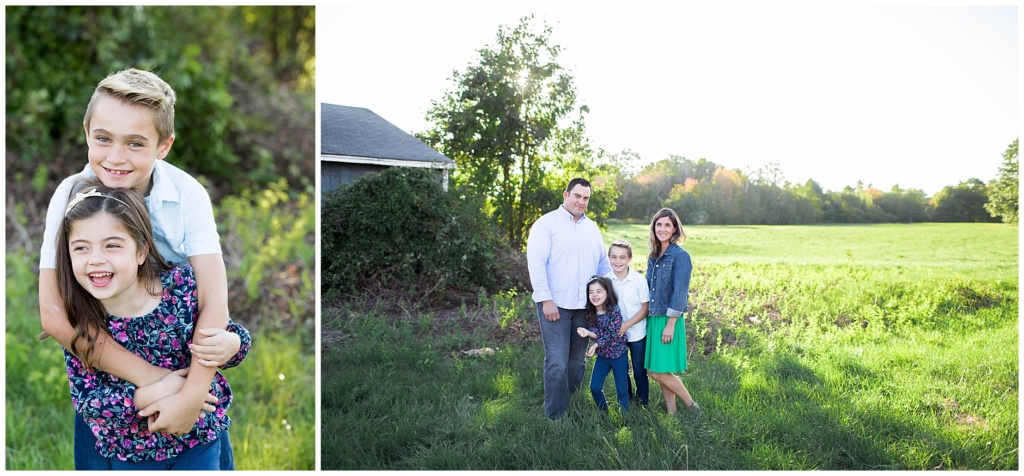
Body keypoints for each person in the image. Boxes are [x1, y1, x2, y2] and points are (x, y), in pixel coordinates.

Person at [36, 68, 239, 468]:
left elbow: (214, 301)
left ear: (164, 146)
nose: (115, 157)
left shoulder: (187, 195)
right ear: (86, 131)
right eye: (103, 139)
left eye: (135, 143)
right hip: (109, 378)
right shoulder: (69, 196)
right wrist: (155, 382)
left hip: (183, 372)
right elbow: (55, 315)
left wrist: (192, 397)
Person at [56, 180, 251, 469]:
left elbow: (227, 334)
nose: (96, 260)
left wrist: (232, 344)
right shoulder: (83, 321)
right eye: (81, 248)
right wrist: (154, 391)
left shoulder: (181, 289)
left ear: (141, 251)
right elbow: (89, 402)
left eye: (112, 246)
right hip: (130, 453)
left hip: (198, 440)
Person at [526, 177, 612, 420]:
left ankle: (570, 400)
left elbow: (603, 264)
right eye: (577, 196)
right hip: (556, 306)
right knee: (557, 362)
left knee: (577, 364)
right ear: (566, 195)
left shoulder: (591, 228)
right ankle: (555, 414)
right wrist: (545, 300)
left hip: (585, 309)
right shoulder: (546, 224)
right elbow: (536, 264)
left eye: (586, 198)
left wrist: (615, 293)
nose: (581, 202)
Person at [645, 208, 700, 415]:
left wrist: (670, 323)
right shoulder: (653, 256)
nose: (662, 229)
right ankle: (672, 413)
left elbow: (680, 292)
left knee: (658, 372)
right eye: (659, 224)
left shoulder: (680, 256)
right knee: (658, 369)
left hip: (668, 319)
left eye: (667, 225)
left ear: (675, 228)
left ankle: (692, 406)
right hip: (653, 317)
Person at [603, 239, 651, 407]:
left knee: (639, 370)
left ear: (630, 258)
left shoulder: (638, 280)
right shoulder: (606, 280)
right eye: (614, 257)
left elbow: (645, 309)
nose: (618, 261)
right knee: (622, 371)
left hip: (637, 333)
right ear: (609, 258)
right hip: (616, 335)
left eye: (622, 257)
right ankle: (627, 402)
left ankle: (643, 403)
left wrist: (627, 325)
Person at [576, 276, 630, 413]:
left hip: (619, 355)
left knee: (622, 390)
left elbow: (613, 333)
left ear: (607, 292)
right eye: (591, 292)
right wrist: (587, 332)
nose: (594, 295)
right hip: (603, 356)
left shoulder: (614, 310)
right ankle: (604, 412)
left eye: (599, 291)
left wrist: (595, 345)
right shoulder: (590, 312)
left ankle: (625, 419)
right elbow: (596, 331)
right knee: (594, 387)